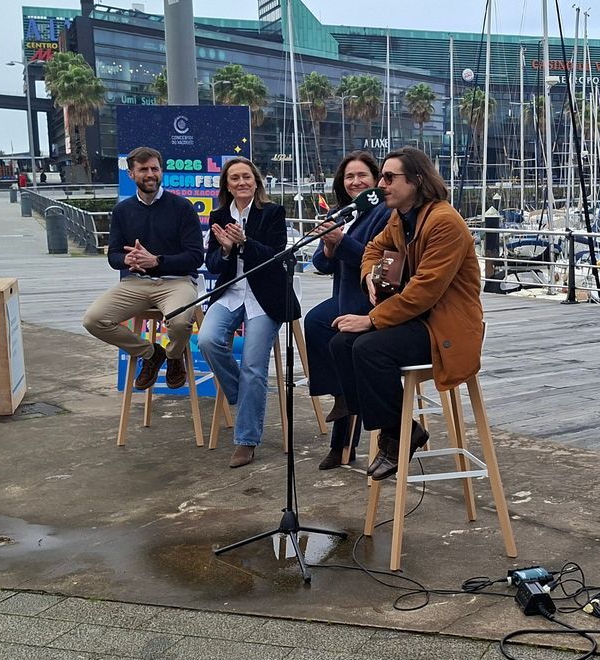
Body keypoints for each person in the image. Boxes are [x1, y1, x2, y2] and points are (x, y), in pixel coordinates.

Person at [328, 147, 484, 481]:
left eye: (389, 177)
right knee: (341, 343)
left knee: (368, 348)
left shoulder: (444, 222)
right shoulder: (401, 218)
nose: (381, 184)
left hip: (445, 329)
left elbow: (424, 291)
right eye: (381, 176)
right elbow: (373, 248)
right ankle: (397, 429)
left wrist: (370, 319)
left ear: (415, 180)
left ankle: (397, 435)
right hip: (418, 321)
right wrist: (369, 274)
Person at [199, 157, 297, 469]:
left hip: (264, 297)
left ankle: (245, 440)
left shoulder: (272, 212)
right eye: (234, 179)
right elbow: (213, 266)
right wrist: (226, 250)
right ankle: (242, 398)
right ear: (226, 185)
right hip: (230, 293)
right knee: (207, 340)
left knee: (254, 364)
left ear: (256, 181)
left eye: (246, 177)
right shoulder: (218, 215)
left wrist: (245, 242)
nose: (241, 182)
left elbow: (276, 256)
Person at [81, 146, 204, 394]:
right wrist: (129, 261)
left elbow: (195, 257)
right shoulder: (122, 211)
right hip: (135, 282)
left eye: (154, 169)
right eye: (143, 169)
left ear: (161, 171)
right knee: (93, 320)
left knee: (180, 323)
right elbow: (113, 255)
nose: (150, 174)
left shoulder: (182, 207)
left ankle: (173, 356)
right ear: (131, 174)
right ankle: (150, 353)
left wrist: (156, 261)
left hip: (176, 282)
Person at [303, 151, 391, 470]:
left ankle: (342, 442)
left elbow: (375, 260)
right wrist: (329, 245)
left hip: (369, 300)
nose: (355, 182)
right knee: (314, 322)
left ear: (376, 178)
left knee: (341, 336)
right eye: (349, 177)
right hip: (343, 296)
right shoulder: (344, 212)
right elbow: (320, 264)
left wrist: (341, 242)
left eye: (362, 175)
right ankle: (341, 398)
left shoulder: (382, 213)